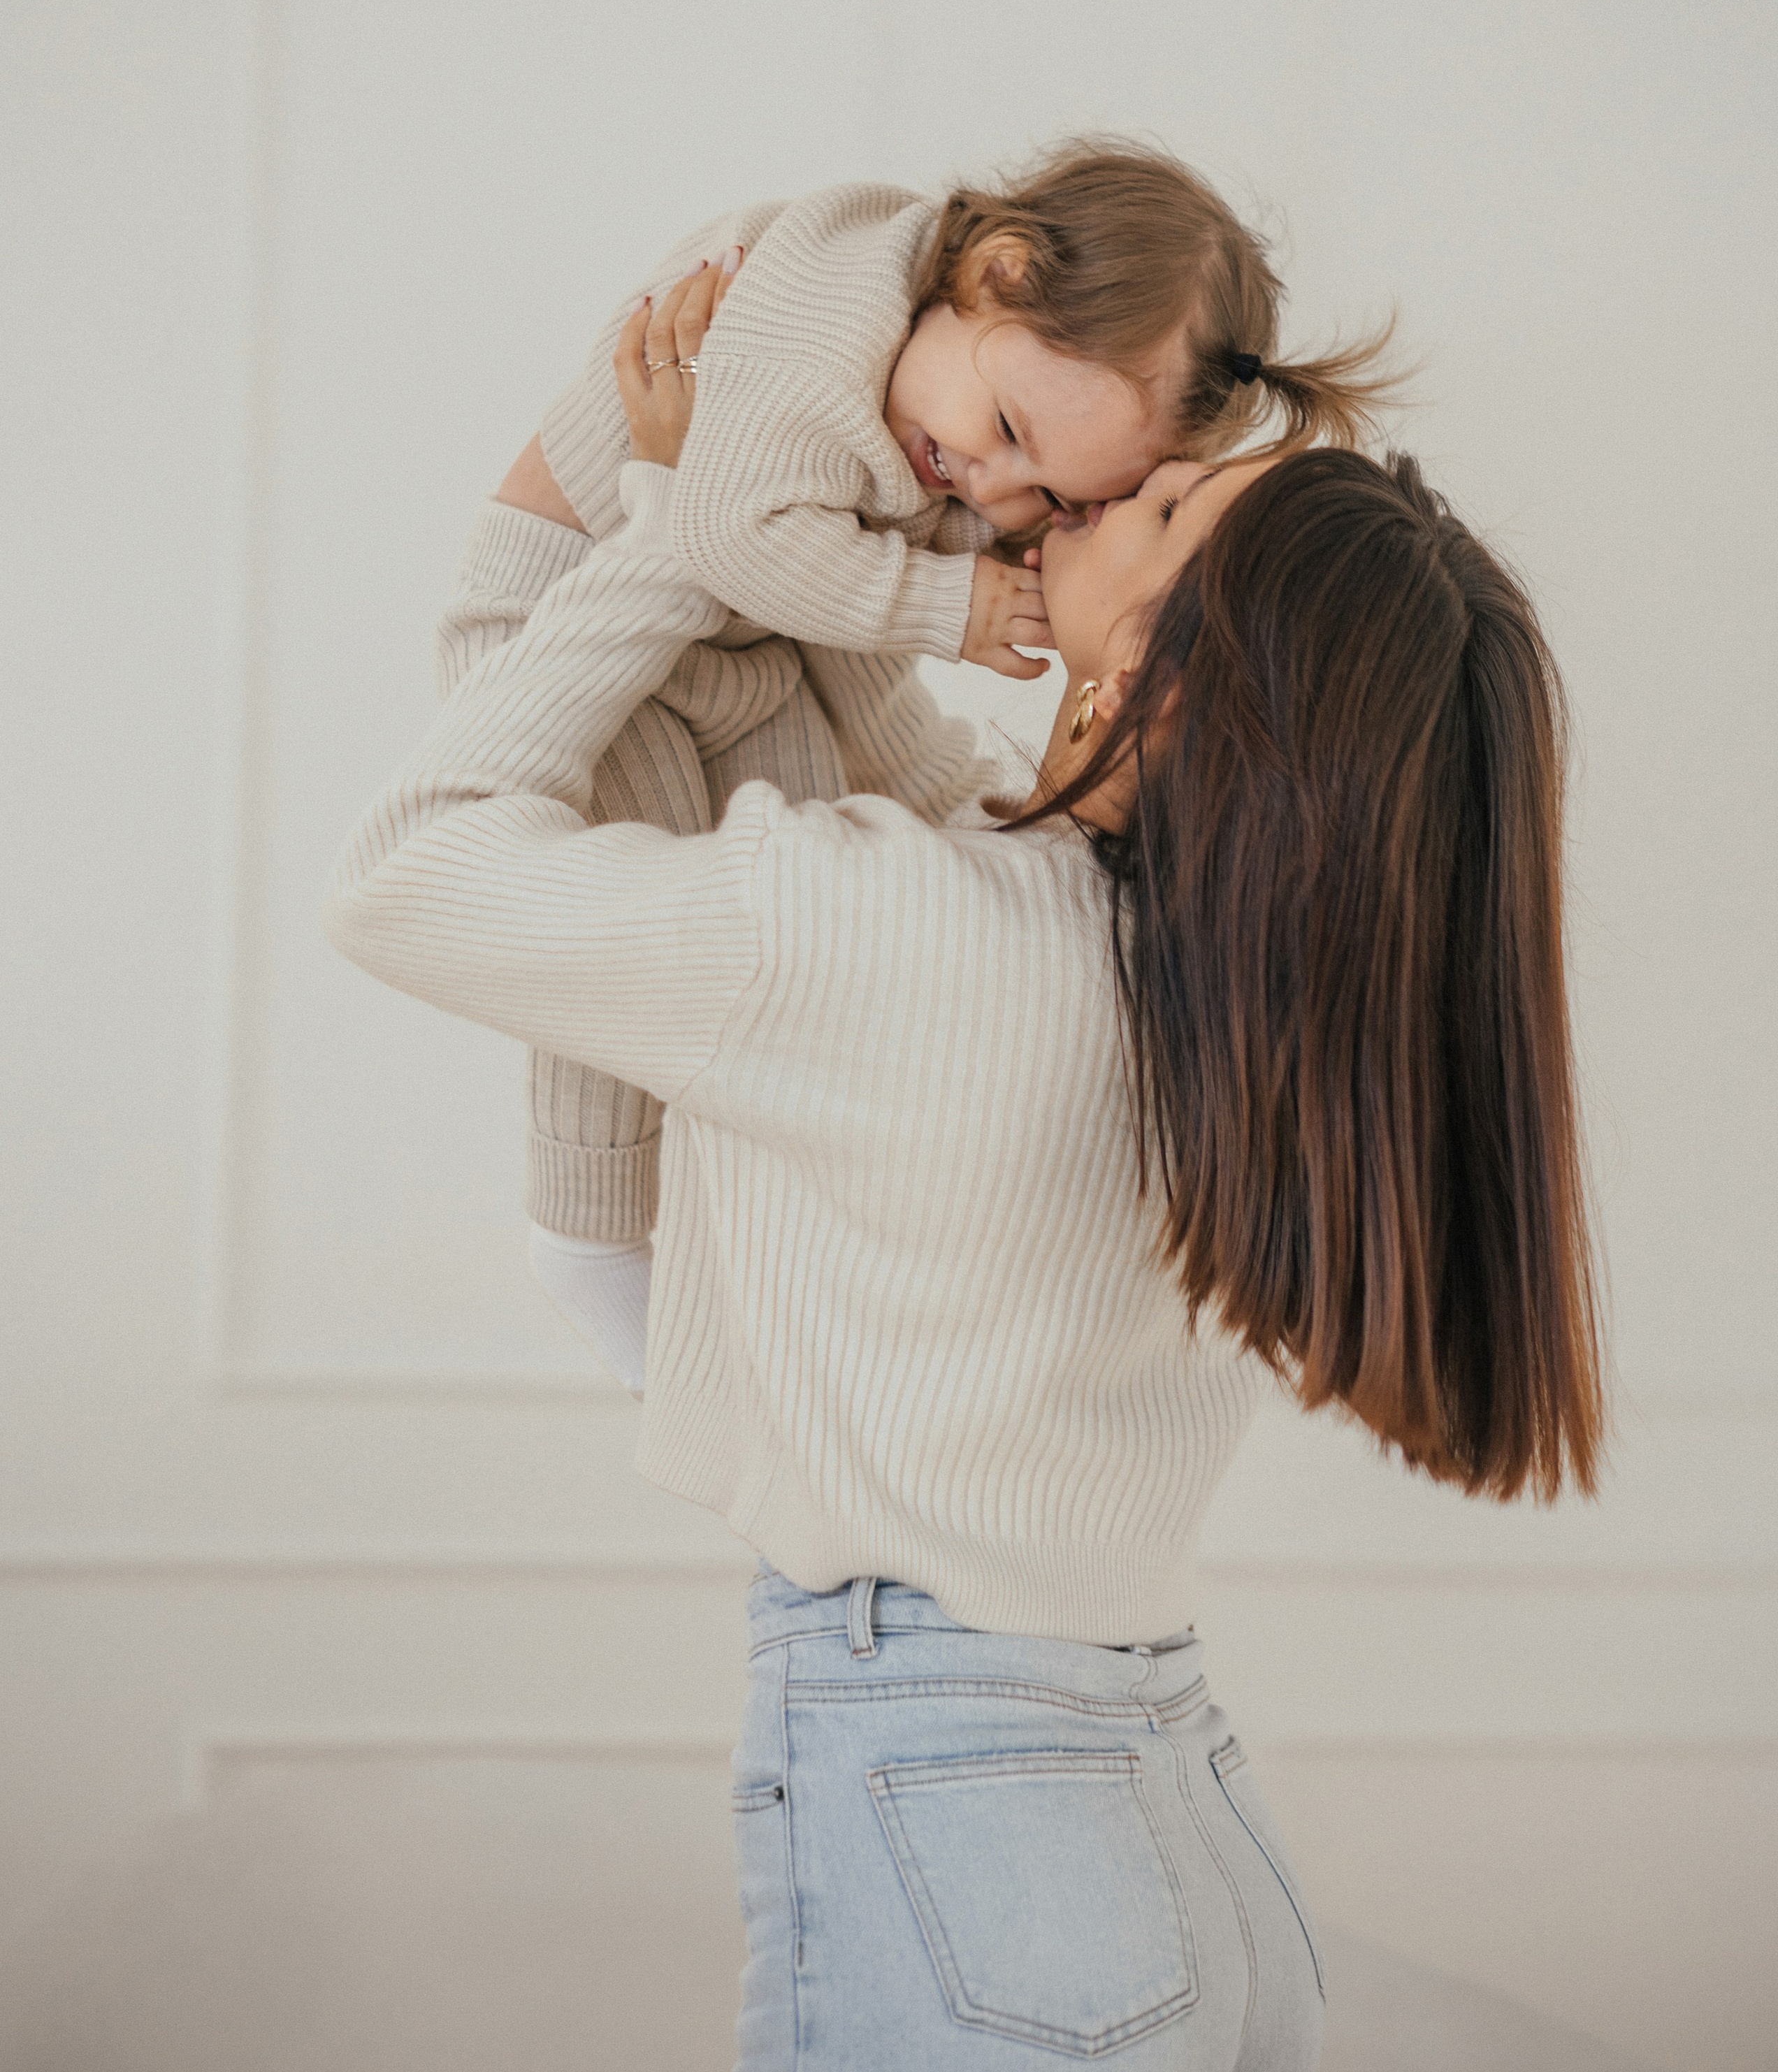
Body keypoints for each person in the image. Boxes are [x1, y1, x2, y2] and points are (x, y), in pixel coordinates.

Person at [325, 263, 1603, 2069]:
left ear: (1167, 668)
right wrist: (784, 545)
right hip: (1161, 1800)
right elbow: (937, 782)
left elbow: (410, 868)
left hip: (956, 1784)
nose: (1087, 492)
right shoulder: (1239, 994)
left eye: (1151, 507)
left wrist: (683, 536)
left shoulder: (910, 942)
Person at [486, 142, 1382, 1381]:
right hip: (567, 630)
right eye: (1008, 432)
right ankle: (584, 1227)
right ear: (997, 270)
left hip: (715, 645)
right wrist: (947, 603)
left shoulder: (947, 365)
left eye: (1058, 498)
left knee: (804, 864)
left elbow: (865, 691)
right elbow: (727, 535)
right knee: (610, 933)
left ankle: (735, 1275)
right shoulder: (820, 331)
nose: (992, 487)